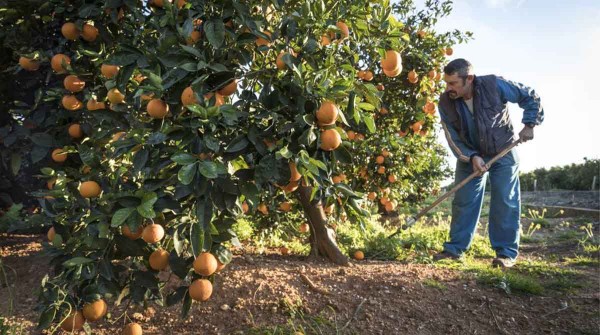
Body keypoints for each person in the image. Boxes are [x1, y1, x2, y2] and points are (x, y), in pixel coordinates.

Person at [433, 58, 544, 268]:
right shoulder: (445, 102)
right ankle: (455, 249)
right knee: (464, 201)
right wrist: (471, 157)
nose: (448, 88)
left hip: (502, 150)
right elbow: (452, 137)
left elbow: (529, 96)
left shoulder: (494, 85)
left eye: (453, 83)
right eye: (446, 82)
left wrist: (530, 123)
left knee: (505, 200)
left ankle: (505, 254)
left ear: (470, 79)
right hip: (470, 153)